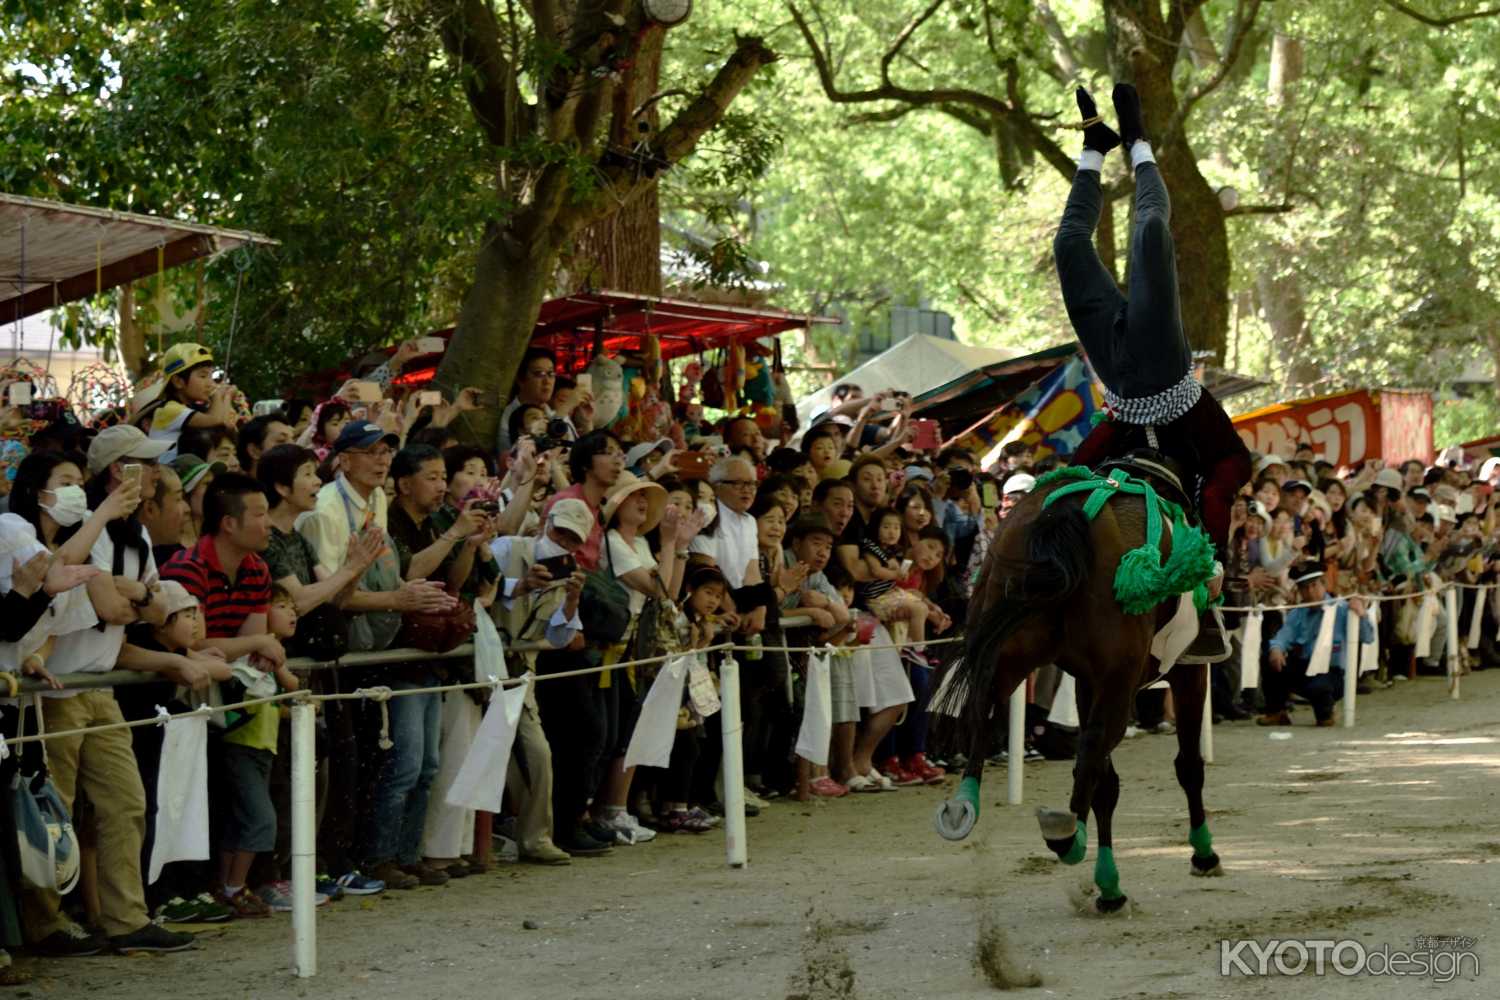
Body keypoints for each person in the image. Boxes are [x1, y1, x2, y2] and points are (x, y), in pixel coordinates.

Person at [1054, 83, 1252, 658]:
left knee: (1150, 234)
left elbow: (1234, 463)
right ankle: (1096, 147)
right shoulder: (1122, 423)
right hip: (1127, 376)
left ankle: (1137, 143)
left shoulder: (1201, 421)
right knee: (1069, 247)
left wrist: (1211, 546)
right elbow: (1078, 468)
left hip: (1154, 372)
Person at [1259, 564, 1373, 727]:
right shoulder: (1298, 612)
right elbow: (1283, 636)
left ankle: (1326, 712)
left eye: (1314, 585)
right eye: (1305, 588)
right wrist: (1276, 649)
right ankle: (1276, 712)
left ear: (1324, 584)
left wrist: (1361, 615)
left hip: (1334, 673)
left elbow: (1368, 638)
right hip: (1307, 667)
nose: (1310, 592)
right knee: (1269, 658)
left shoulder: (1342, 609)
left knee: (1320, 696)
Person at [132, 342, 239, 462]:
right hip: (166, 471)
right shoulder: (170, 409)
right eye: (203, 376)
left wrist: (226, 397)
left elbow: (225, 424)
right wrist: (220, 395)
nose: (210, 383)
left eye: (211, 376)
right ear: (178, 381)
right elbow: (217, 420)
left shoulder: (190, 408)